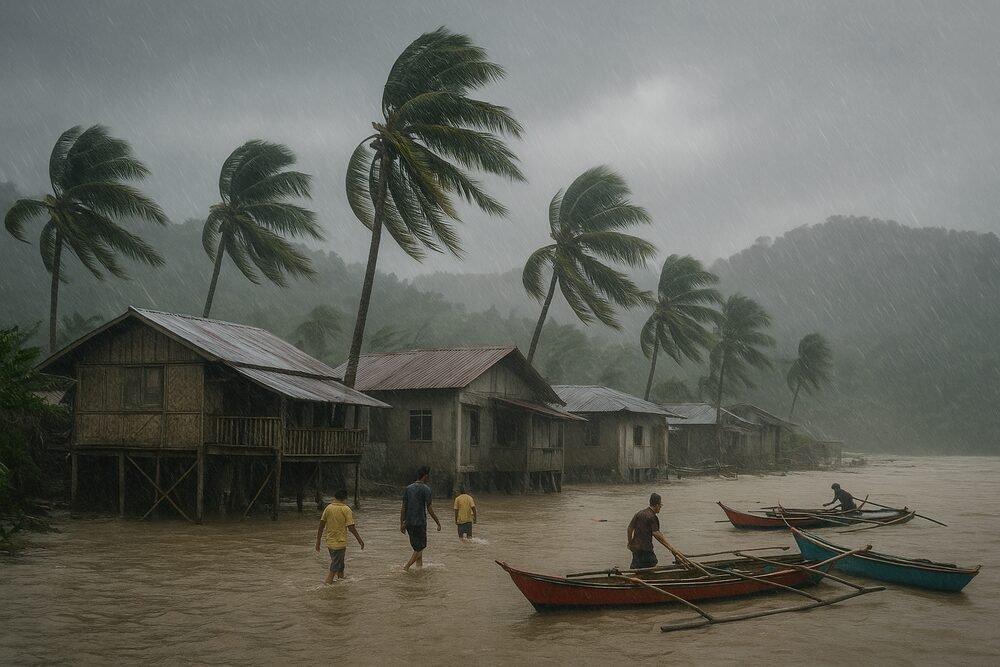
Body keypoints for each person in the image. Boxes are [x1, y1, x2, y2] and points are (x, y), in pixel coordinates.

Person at [314, 489, 364, 583]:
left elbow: (321, 526)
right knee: (335, 566)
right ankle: (327, 584)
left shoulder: (328, 508)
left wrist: (318, 541)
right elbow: (351, 527)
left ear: (335, 497)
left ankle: (340, 584)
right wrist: (360, 540)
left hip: (330, 541)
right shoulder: (346, 509)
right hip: (340, 542)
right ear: (344, 498)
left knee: (340, 565)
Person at [400, 466, 442, 571]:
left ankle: (419, 569)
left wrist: (402, 523)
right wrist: (438, 522)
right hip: (420, 523)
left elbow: (403, 507)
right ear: (425, 476)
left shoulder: (408, 488)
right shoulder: (426, 489)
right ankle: (406, 567)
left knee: (418, 547)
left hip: (409, 523)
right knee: (420, 549)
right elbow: (430, 509)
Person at [626, 493, 681, 570]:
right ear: (657, 505)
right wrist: (671, 548)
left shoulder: (639, 513)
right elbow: (656, 534)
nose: (660, 508)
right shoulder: (652, 517)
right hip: (646, 549)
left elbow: (630, 528)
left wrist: (630, 542)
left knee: (637, 567)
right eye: (660, 505)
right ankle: (648, 580)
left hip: (636, 548)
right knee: (652, 564)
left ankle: (637, 579)